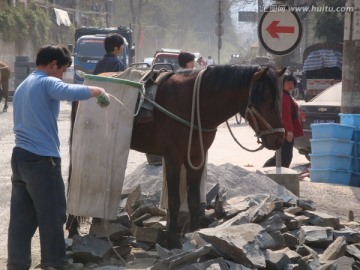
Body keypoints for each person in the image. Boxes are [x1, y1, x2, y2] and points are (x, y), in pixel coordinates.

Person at [7, 45, 110, 270]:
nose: (62, 75)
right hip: (42, 160)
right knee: (53, 214)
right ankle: (55, 262)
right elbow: (70, 91)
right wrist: (99, 91)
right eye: (62, 70)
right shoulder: (46, 81)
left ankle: (17, 264)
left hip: (20, 158)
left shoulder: (25, 84)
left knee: (21, 220)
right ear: (53, 65)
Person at [263, 74, 304, 168]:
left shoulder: (285, 95)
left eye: (292, 82)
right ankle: (267, 173)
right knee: (285, 157)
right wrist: (289, 131)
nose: (290, 85)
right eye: (287, 82)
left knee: (282, 156)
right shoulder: (284, 97)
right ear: (282, 83)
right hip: (285, 131)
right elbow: (286, 115)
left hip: (284, 131)